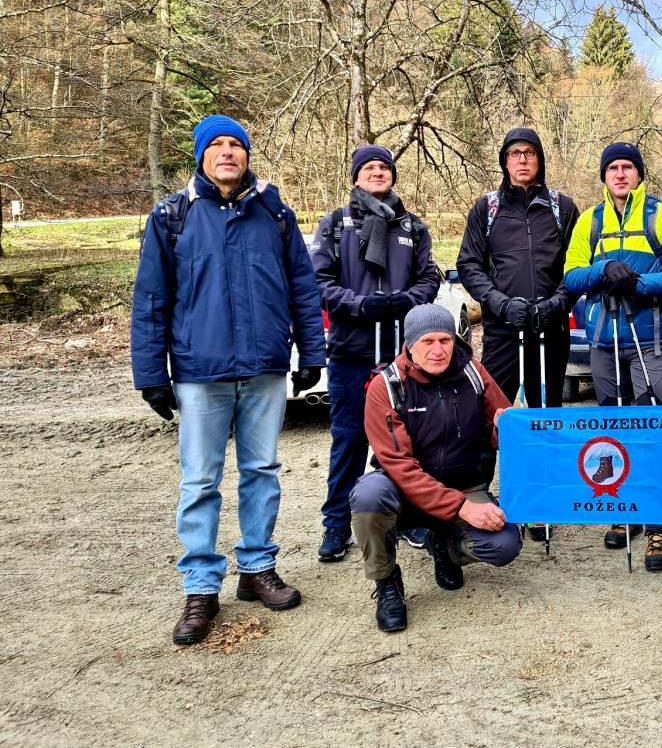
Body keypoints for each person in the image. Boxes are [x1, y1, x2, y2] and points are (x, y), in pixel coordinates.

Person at [131, 114, 326, 646]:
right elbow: (151, 299)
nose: (226, 153)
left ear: (246, 154)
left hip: (264, 368)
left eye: (235, 145)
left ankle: (257, 568)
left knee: (262, 469)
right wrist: (151, 374)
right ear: (200, 155)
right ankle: (200, 587)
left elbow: (303, 291)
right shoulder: (172, 216)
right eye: (215, 145)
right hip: (200, 371)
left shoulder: (275, 214)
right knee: (200, 482)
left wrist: (311, 353)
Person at [563, 141, 662, 570]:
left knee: (651, 424)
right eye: (613, 168)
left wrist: (638, 283)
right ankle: (625, 509)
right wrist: (604, 271)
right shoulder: (590, 220)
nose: (620, 174)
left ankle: (660, 527)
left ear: (639, 174)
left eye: (628, 167)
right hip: (603, 340)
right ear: (604, 176)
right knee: (611, 428)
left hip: (648, 339)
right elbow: (571, 274)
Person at [349, 305, 520, 632]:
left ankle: (446, 547)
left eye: (445, 340)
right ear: (410, 344)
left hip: (465, 484)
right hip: (407, 492)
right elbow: (399, 466)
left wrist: (505, 428)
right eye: (428, 341)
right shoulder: (386, 386)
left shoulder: (473, 372)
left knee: (504, 546)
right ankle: (386, 580)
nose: (438, 350)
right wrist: (462, 508)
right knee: (369, 495)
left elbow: (506, 429)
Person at [309, 144, 441, 562]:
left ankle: (412, 515)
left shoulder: (414, 227)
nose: (378, 173)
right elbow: (319, 281)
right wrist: (360, 305)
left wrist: (405, 302)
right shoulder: (333, 225)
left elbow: (429, 277)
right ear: (356, 176)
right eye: (369, 168)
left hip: (404, 355)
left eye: (384, 167)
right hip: (353, 350)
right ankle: (335, 525)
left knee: (409, 439)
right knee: (348, 439)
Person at [456, 127, 580, 410]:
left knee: (548, 416)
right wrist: (502, 304)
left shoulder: (563, 207)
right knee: (491, 413)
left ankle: (546, 457)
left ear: (540, 159)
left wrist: (558, 303)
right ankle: (493, 457)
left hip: (551, 330)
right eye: (515, 153)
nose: (522, 160)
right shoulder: (486, 208)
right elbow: (469, 265)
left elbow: (576, 265)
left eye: (530, 153)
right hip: (503, 331)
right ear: (505, 161)